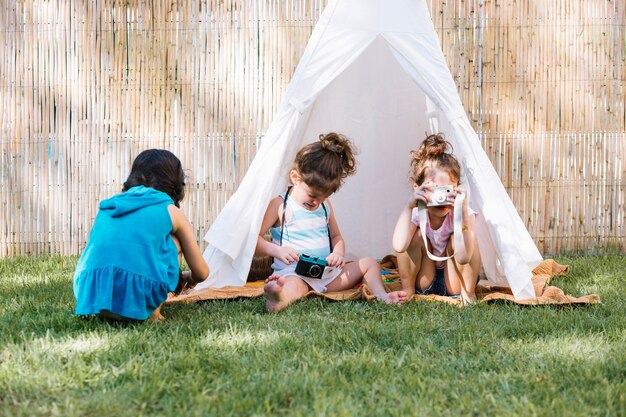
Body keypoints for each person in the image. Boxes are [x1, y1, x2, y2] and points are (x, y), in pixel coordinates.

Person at [257, 132, 408, 312]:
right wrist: (277, 250)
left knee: (369, 264)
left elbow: (336, 236)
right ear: (295, 178)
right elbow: (254, 240)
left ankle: (381, 295)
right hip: (295, 274)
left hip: (327, 276)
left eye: (324, 196)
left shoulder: (324, 206)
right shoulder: (280, 206)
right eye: (313, 195)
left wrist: (338, 253)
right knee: (293, 287)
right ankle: (278, 297)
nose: (317, 202)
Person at [73, 149, 209, 322]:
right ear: (176, 182)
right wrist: (187, 277)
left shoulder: (111, 205)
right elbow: (202, 272)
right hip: (136, 299)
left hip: (92, 297)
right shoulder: (171, 211)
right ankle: (153, 313)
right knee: (174, 240)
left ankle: (114, 309)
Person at [392, 134, 481, 303]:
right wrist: (409, 207)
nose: (441, 198)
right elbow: (399, 245)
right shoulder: (417, 211)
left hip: (456, 281)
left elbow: (464, 258)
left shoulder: (462, 212)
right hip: (426, 280)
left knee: (465, 237)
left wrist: (462, 215)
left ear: (457, 189)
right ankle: (408, 289)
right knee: (415, 236)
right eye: (435, 190)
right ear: (418, 189)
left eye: (446, 190)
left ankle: (468, 294)